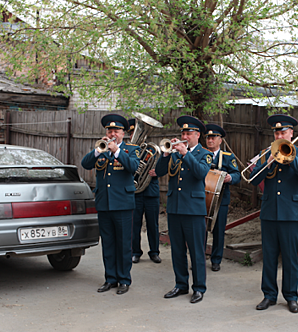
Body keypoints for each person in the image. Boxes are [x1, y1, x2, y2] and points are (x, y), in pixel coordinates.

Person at [249, 114, 298, 314]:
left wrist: (290, 158)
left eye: (283, 132)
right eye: (277, 132)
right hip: (270, 213)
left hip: (292, 214)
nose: (280, 134)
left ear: (291, 133)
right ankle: (269, 295)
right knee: (269, 256)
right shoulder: (266, 153)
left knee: (290, 258)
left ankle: (291, 296)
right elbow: (252, 179)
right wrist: (268, 161)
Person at [156, 115, 212, 304]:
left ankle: (199, 288)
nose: (185, 136)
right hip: (175, 208)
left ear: (197, 135)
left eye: (188, 133)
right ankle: (181, 285)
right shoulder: (173, 153)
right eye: (183, 133)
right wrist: (165, 154)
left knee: (196, 251)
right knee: (177, 250)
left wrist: (186, 154)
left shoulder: (204, 154)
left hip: (194, 209)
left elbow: (201, 173)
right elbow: (160, 171)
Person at [81, 114, 139, 295]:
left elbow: (133, 167)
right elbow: (86, 164)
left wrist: (116, 152)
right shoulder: (101, 148)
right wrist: (98, 150)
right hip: (104, 203)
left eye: (116, 131)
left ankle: (124, 279)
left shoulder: (131, 150)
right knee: (108, 243)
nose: (112, 133)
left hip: (122, 203)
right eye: (109, 130)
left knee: (123, 244)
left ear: (124, 133)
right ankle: (110, 278)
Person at [204, 124, 241, 272]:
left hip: (221, 199)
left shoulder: (227, 157)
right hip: (202, 197)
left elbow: (237, 175)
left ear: (220, 140)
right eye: (208, 138)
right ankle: (199, 258)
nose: (210, 140)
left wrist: (230, 177)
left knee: (219, 231)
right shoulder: (201, 154)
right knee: (201, 230)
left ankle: (216, 260)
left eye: (213, 137)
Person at [127, 118, 161, 265]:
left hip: (151, 192)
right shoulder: (126, 151)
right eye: (131, 133)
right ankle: (135, 252)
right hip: (135, 192)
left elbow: (163, 167)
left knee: (153, 224)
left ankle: (154, 252)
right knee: (135, 224)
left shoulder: (152, 150)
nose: (133, 136)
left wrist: (157, 171)